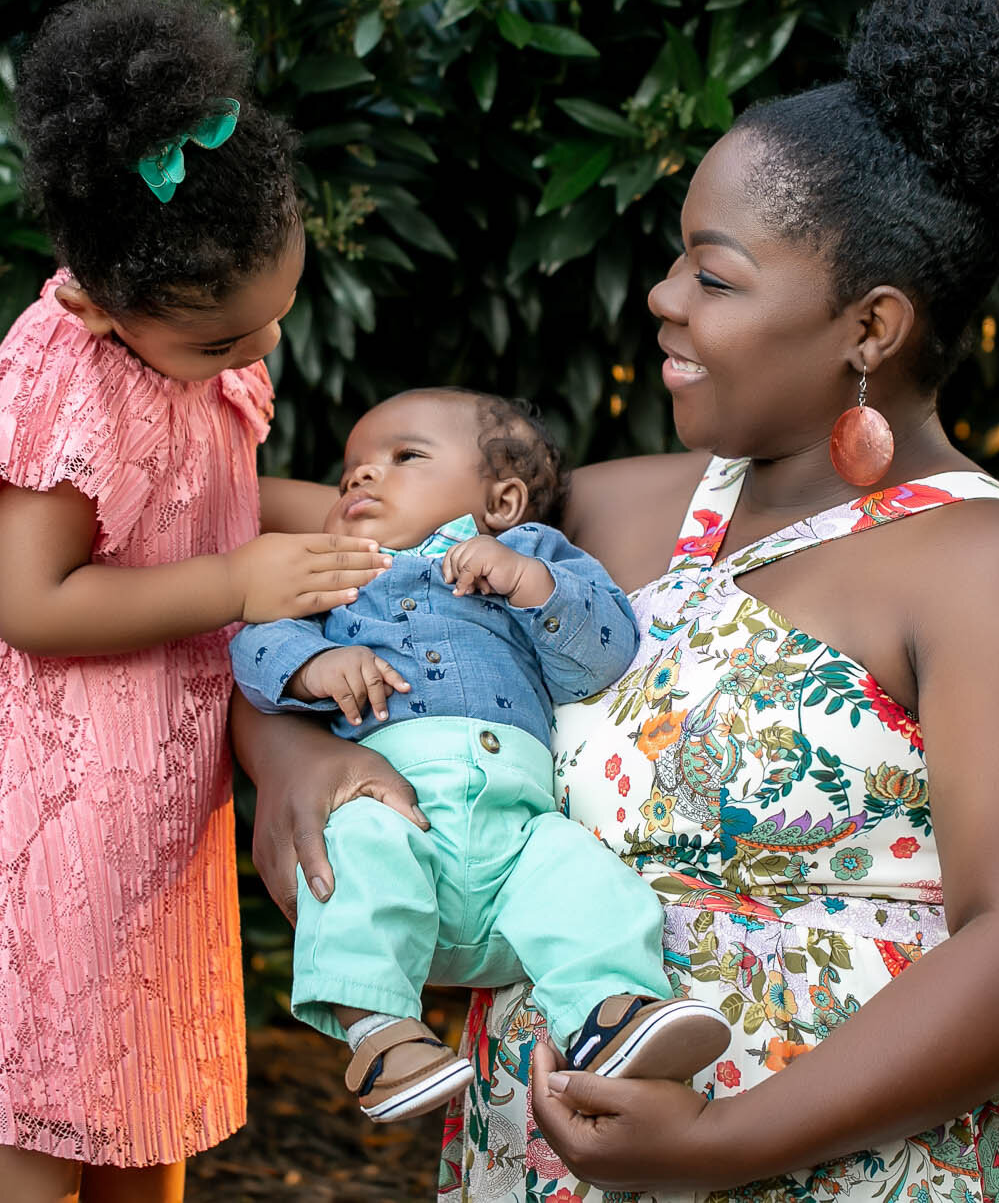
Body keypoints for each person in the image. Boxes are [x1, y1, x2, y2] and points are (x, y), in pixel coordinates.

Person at [236, 0, 999, 1202]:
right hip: (546, 1159)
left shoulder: (996, 574)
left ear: (869, 326)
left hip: (861, 1173)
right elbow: (250, 559)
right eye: (677, 260)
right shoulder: (608, 511)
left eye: (714, 277)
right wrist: (290, 752)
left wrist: (719, 1145)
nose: (661, 295)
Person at [0, 0, 393, 1203]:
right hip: (28, 772)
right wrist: (240, 580)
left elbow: (203, 495)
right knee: (42, 1067)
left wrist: (353, 520)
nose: (254, 357)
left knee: (133, 1064)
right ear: (94, 295)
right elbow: (31, 603)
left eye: (273, 323)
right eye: (224, 344)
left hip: (132, 766)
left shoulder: (192, 332)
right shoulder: (71, 385)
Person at [230, 389, 729, 1124]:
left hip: (517, 836)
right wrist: (313, 664)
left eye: (403, 458)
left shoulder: (532, 556)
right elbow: (255, 637)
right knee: (359, 848)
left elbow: (600, 653)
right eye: (349, 474)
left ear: (502, 499)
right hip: (399, 810)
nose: (362, 478)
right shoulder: (333, 573)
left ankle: (609, 1012)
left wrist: (533, 585)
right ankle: (383, 1037)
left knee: (582, 874)